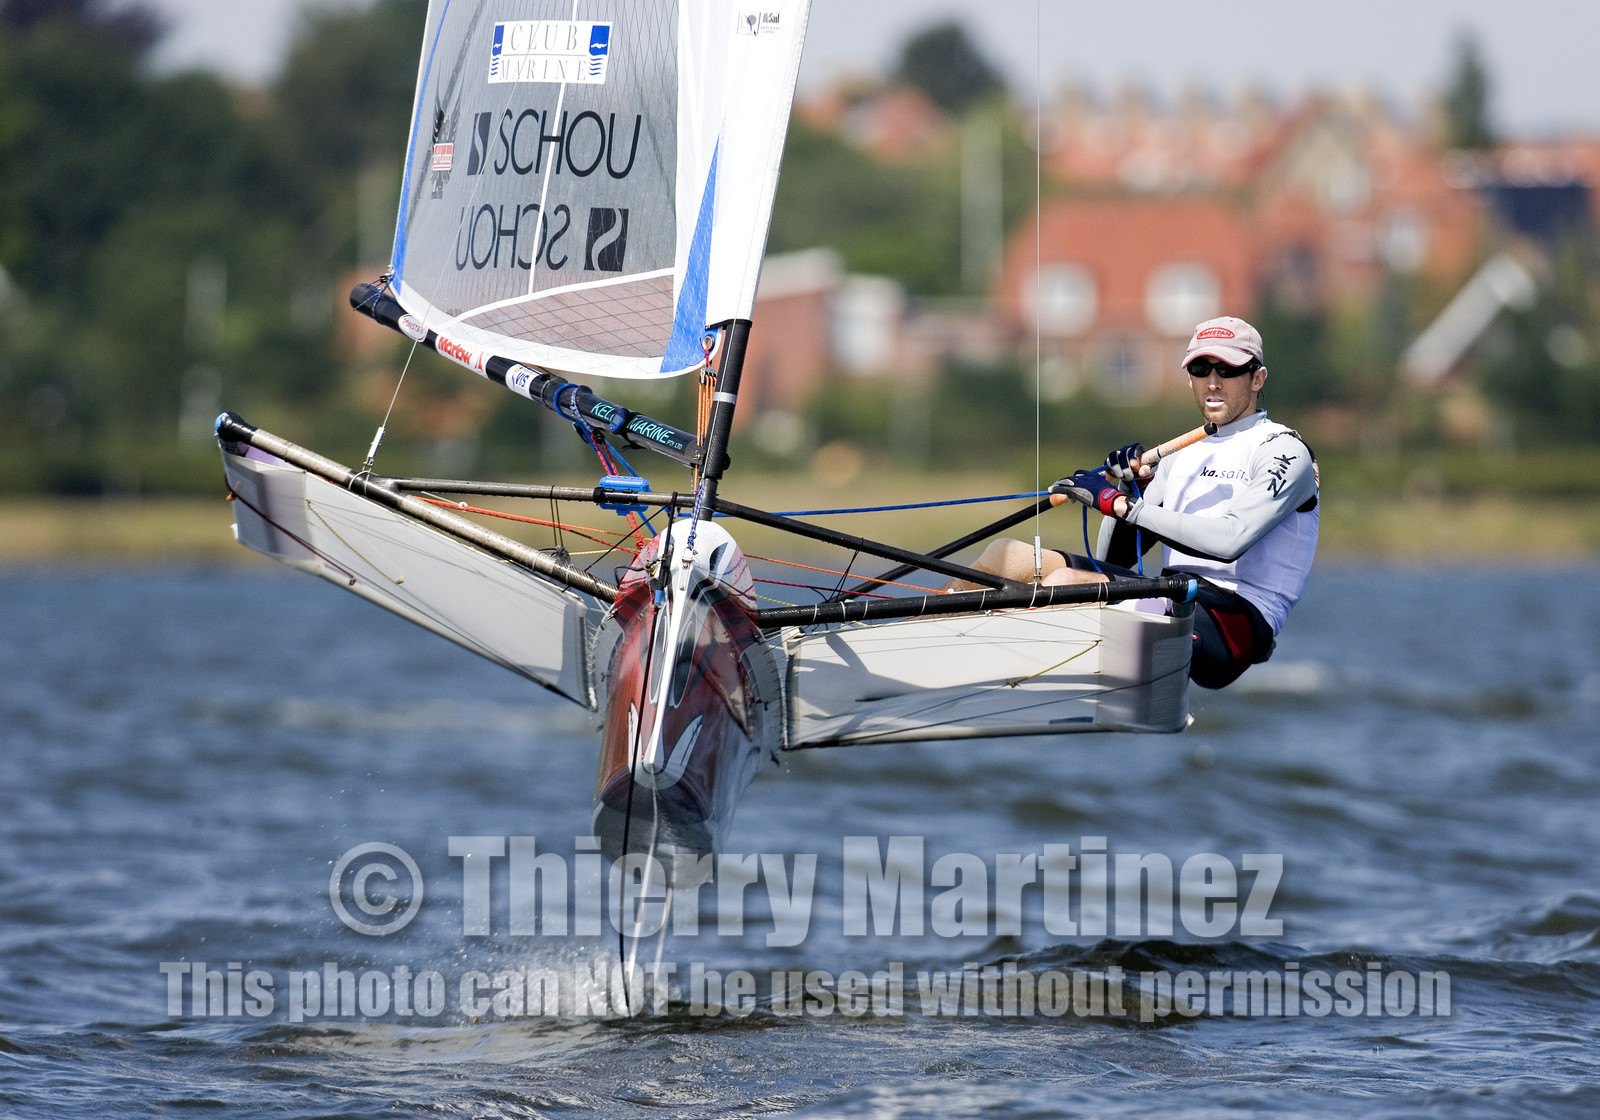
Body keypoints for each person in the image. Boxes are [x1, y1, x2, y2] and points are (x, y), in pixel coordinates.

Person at [949, 316, 1318, 689]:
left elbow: (1230, 540)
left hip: (1236, 623)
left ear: (1257, 378)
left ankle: (976, 664)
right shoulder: (1181, 453)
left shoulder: (1284, 452)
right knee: (1006, 555)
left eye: (1228, 369)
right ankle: (928, 637)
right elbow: (1114, 560)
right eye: (1201, 369)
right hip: (1171, 594)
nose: (1213, 381)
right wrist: (1132, 487)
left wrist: (1122, 505)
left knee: (1065, 583)